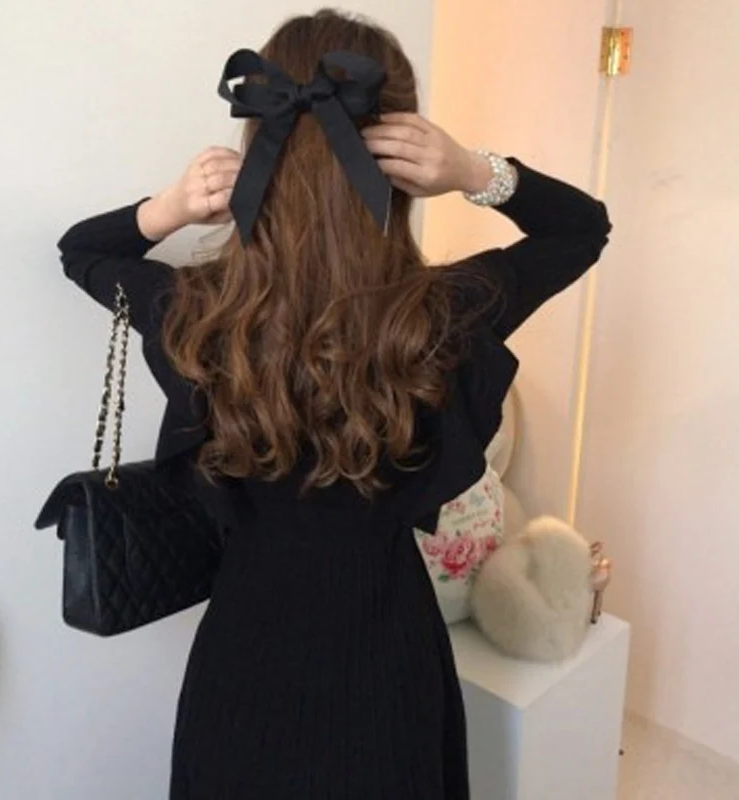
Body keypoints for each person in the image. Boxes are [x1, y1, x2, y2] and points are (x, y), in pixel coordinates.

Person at [56, 9, 611, 800]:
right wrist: (469, 169)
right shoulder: (441, 315)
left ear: (258, 144)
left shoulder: (198, 315)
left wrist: (175, 205)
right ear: (398, 157)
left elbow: (82, 249)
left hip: (242, 665)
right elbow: (582, 229)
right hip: (388, 659)